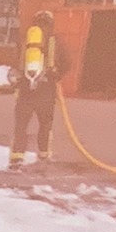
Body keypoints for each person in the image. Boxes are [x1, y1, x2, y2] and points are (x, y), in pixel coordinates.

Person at [9, 10, 69, 167]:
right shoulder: (56, 41)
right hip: (47, 90)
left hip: (25, 90)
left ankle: (16, 158)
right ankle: (43, 154)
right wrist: (56, 75)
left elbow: (15, 63)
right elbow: (67, 63)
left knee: (21, 126)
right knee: (45, 125)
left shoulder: (25, 40)